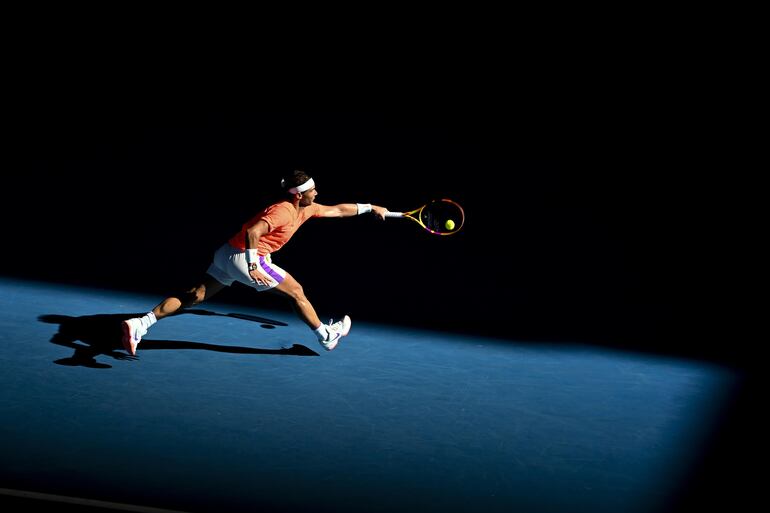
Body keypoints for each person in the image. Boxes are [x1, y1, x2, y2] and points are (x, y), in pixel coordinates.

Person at [121, 170, 390, 356]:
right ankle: (325, 335)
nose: (317, 192)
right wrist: (252, 265)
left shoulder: (306, 208)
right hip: (246, 258)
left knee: (195, 295)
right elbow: (254, 232)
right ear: (298, 194)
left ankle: (141, 323)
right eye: (312, 190)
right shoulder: (283, 211)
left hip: (226, 254)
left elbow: (339, 210)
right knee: (296, 292)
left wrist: (370, 207)